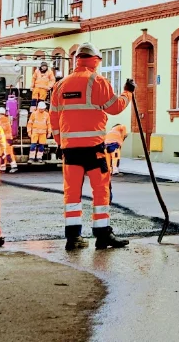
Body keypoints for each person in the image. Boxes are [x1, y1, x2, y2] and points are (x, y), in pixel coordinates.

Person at [51, 43, 135, 250]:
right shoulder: (98, 81)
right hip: (94, 149)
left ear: (76, 59)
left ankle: (73, 238)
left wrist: (60, 143)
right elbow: (116, 107)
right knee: (101, 190)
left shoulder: (60, 85)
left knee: (71, 194)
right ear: (96, 60)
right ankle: (102, 235)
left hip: (70, 150)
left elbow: (54, 118)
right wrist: (128, 93)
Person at [0, 107, 19, 174]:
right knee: (3, 154)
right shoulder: (2, 119)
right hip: (5, 139)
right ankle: (2, 168)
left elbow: (2, 129)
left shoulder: (3, 119)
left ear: (0, 114)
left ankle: (14, 166)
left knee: (8, 154)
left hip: (6, 139)